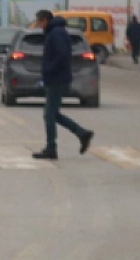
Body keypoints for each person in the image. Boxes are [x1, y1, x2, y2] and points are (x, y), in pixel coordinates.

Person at [32, 10, 94, 161]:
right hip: (56, 78)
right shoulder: (55, 32)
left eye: (39, 21)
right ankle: (82, 134)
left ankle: (51, 148)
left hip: (57, 79)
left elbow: (63, 54)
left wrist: (49, 69)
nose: (38, 25)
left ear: (45, 20)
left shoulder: (56, 33)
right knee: (53, 114)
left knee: (49, 115)